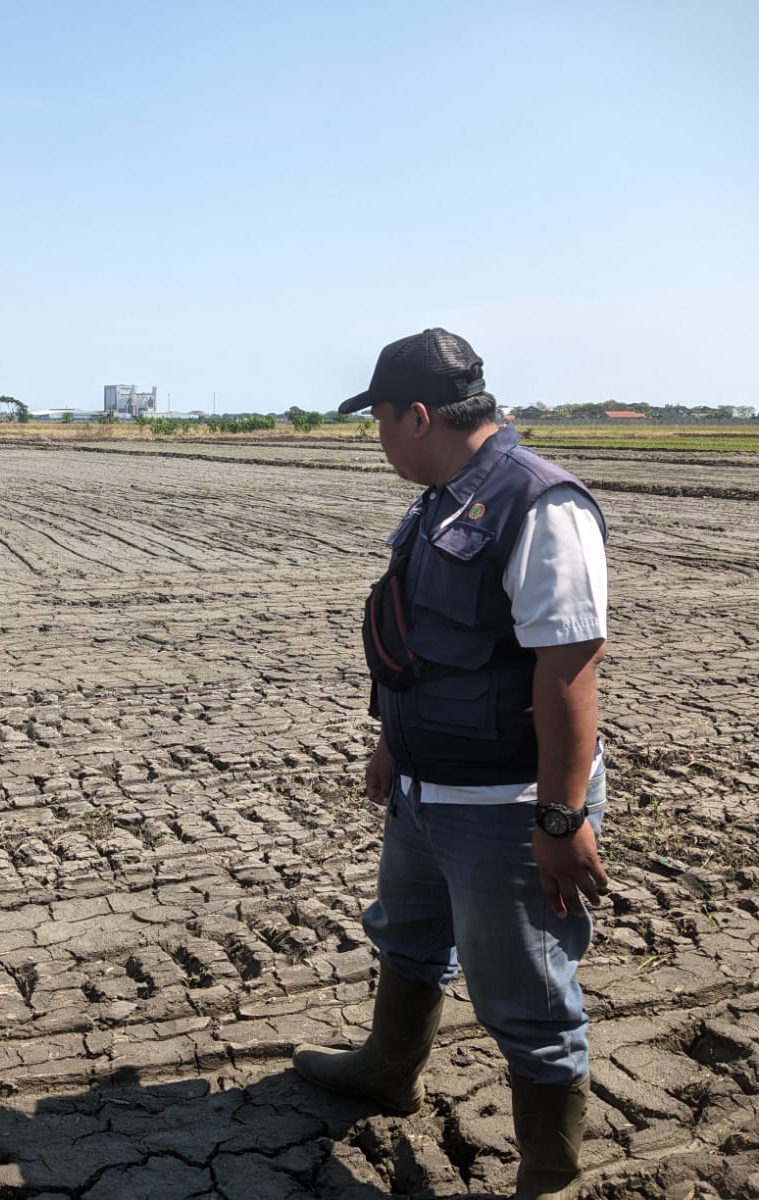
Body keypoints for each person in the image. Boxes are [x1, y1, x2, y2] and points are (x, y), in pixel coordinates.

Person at [293, 328, 609, 1200]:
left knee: (527, 1000)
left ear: (420, 416)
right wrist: (393, 742)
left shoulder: (539, 503)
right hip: (426, 786)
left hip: (506, 805)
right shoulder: (441, 500)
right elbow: (423, 639)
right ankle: (388, 1067)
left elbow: (570, 669)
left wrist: (560, 817)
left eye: (380, 420)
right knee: (408, 934)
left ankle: (550, 1177)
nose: (378, 437)